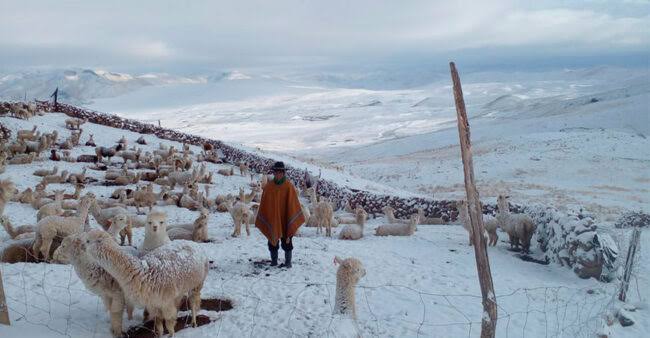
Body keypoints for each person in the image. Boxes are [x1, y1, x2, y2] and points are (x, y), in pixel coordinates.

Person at [255, 161, 305, 268]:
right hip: (272, 219)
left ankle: (288, 262)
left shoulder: (289, 187)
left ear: (283, 173)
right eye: (276, 172)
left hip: (286, 218)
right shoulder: (269, 187)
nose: (278, 174)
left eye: (280, 172)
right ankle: (274, 261)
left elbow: (293, 205)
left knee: (287, 240)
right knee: (272, 240)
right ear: (273, 172)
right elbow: (265, 205)